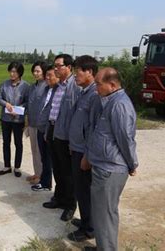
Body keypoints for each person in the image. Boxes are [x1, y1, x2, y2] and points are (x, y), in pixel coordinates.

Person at [84, 67, 139, 251]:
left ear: (112, 85)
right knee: (101, 213)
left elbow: (125, 138)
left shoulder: (119, 105)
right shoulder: (110, 101)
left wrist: (132, 164)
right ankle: (103, 247)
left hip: (110, 169)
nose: (95, 88)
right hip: (104, 166)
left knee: (105, 214)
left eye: (98, 84)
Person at [42, 54, 81, 222]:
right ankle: (58, 198)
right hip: (53, 129)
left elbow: (76, 116)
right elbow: (53, 109)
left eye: (59, 66)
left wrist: (73, 139)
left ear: (69, 67)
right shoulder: (58, 86)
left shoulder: (74, 86)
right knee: (57, 168)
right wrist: (47, 131)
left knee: (67, 172)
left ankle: (70, 205)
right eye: (55, 65)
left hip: (66, 135)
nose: (55, 68)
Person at [67, 55, 99, 242]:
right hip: (77, 148)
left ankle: (90, 229)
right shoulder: (84, 91)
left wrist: (87, 155)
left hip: (84, 153)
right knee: (80, 190)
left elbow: (93, 129)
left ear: (89, 72)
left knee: (85, 190)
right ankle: (86, 220)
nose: (75, 74)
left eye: (78, 70)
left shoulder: (94, 95)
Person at [0, 61, 30, 177]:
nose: (12, 74)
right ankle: (7, 166)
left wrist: (20, 109)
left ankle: (17, 167)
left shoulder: (26, 86)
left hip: (18, 120)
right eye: (10, 71)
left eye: (14, 72)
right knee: (6, 142)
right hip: (5, 119)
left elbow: (27, 102)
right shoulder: (4, 84)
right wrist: (6, 104)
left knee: (18, 143)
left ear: (20, 73)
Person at [31, 65, 57, 192]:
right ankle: (45, 182)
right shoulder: (47, 89)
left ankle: (47, 183)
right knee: (44, 157)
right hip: (41, 128)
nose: (47, 78)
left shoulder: (58, 91)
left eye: (50, 75)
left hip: (51, 130)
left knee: (49, 158)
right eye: (46, 75)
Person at [25, 61, 48, 184]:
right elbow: (29, 105)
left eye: (38, 71)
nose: (35, 73)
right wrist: (27, 121)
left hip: (42, 126)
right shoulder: (32, 87)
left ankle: (42, 176)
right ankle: (36, 173)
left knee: (41, 152)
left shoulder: (47, 87)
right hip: (32, 123)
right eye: (34, 71)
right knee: (34, 150)